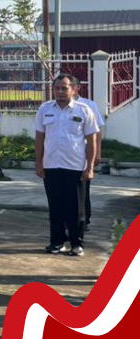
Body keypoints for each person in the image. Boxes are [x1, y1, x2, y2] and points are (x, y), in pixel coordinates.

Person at [35, 73, 98, 256]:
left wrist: (90, 167)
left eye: (64, 88)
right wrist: (39, 163)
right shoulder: (45, 109)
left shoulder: (83, 110)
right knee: (55, 206)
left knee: (76, 208)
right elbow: (40, 138)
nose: (60, 91)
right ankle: (56, 242)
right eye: (57, 88)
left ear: (74, 89)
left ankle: (77, 243)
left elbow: (91, 140)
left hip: (75, 166)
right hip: (51, 165)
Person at [70, 80, 104, 228]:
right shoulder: (52, 106)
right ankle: (67, 220)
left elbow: (97, 132)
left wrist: (97, 153)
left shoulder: (89, 105)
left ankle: (84, 219)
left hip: (82, 155)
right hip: (62, 157)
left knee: (82, 190)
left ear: (77, 88)